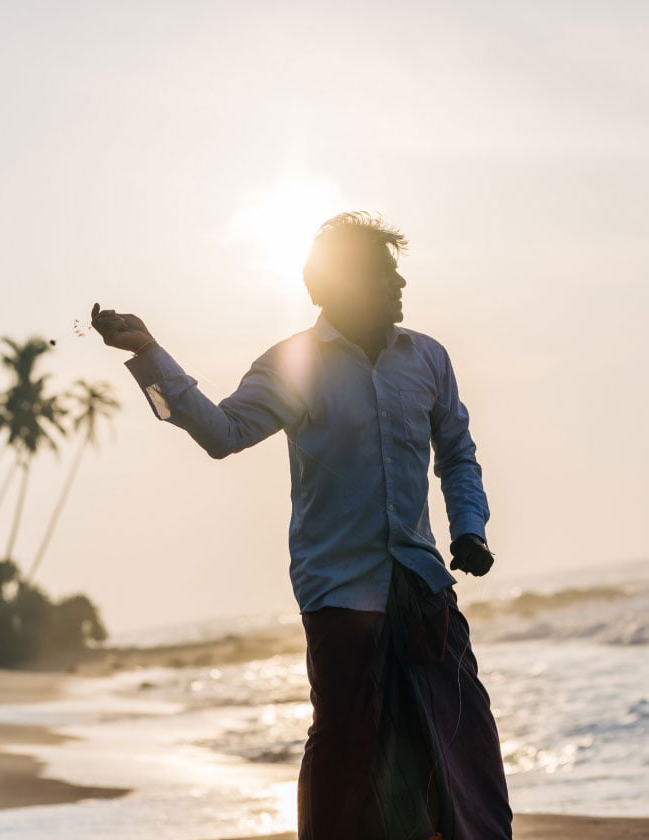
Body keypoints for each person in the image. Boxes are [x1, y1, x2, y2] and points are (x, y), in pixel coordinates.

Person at [91, 211, 513, 840]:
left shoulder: (427, 358)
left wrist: (469, 527)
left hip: (422, 584)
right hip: (342, 591)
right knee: (347, 745)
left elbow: (456, 453)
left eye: (399, 274)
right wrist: (148, 354)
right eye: (383, 274)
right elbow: (221, 433)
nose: (400, 286)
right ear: (340, 285)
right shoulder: (294, 363)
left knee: (460, 729)